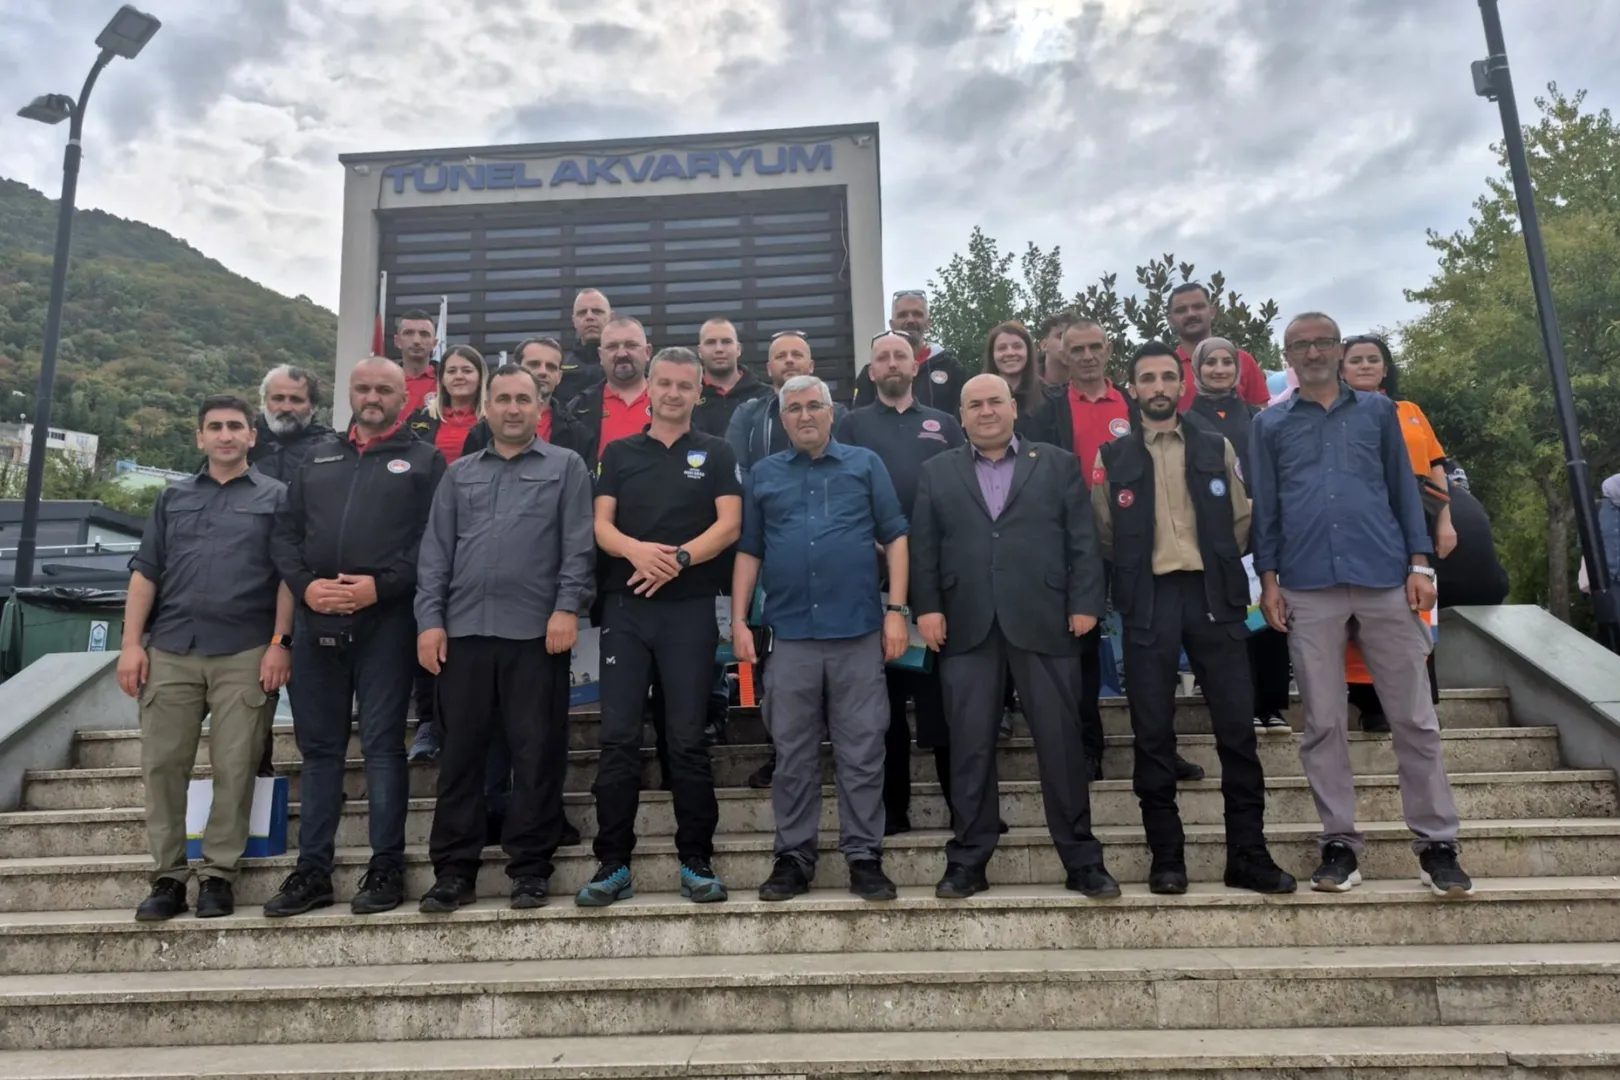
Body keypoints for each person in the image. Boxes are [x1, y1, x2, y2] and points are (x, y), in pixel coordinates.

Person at [1251, 312, 1473, 898]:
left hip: (1384, 577)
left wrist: (1419, 564)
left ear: (1338, 349)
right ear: (1288, 356)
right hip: (1306, 582)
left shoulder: (1378, 413)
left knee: (1414, 718)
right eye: (1300, 345)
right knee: (1323, 723)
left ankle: (1438, 844)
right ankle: (1339, 843)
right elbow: (1266, 507)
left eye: (1323, 342)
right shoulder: (1269, 425)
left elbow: (1404, 490)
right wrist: (1268, 581)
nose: (1313, 352)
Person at [1092, 344, 1294, 895]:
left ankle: (1248, 854)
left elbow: (1240, 519)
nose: (1158, 387)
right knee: (1152, 733)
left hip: (1213, 597)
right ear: (1132, 388)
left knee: (1237, 731)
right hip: (1148, 600)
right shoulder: (1113, 457)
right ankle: (1167, 858)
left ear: (1181, 386)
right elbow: (1105, 532)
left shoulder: (1215, 445)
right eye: (1147, 378)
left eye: (1167, 377)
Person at [910, 373, 1119, 899]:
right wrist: (927, 608)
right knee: (969, 746)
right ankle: (968, 860)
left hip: (1047, 618)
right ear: (961, 416)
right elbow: (924, 547)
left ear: (1013, 408)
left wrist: (1086, 602)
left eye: (994, 401)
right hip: (965, 622)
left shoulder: (1057, 464)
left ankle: (1082, 860)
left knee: (1061, 743)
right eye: (974, 404)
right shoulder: (936, 472)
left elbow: (1082, 539)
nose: (986, 411)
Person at [268, 357, 447, 917]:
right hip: (316, 619)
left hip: (386, 623)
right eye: (364, 388)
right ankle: (312, 871)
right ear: (350, 392)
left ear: (404, 397)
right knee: (320, 750)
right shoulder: (317, 457)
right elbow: (285, 533)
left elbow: (434, 541)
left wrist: (381, 587)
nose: (373, 397)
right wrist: (307, 587)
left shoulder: (426, 460)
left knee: (383, 747)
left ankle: (386, 867)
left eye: (384, 389)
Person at [414, 364, 594, 913]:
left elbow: (578, 546)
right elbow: (436, 552)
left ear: (540, 408)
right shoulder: (459, 474)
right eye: (503, 399)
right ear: (486, 408)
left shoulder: (566, 466)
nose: (513, 408)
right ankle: (453, 870)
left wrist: (567, 608)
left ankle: (531, 868)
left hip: (537, 634)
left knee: (536, 754)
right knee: (461, 757)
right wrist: (430, 621)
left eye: (523, 399)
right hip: (463, 632)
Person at [732, 374, 911, 902]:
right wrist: (739, 621)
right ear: (782, 418)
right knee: (792, 755)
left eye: (814, 405)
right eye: (794, 408)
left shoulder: (865, 464)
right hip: (790, 637)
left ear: (832, 412)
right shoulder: (764, 475)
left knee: (862, 751)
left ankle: (864, 857)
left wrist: (897, 611)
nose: (805, 415)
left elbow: (896, 536)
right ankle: (793, 858)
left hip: (857, 632)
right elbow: (750, 550)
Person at [119, 395, 293, 921]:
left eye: (235, 426)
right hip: (171, 648)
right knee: (162, 766)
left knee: (235, 767)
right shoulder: (172, 498)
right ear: (200, 437)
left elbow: (289, 577)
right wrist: (131, 644)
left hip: (245, 649)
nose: (225, 435)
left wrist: (280, 644)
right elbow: (146, 572)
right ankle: (168, 878)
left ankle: (219, 875)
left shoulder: (278, 497)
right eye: (214, 427)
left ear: (252, 436)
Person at [579, 347, 743, 906]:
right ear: (649, 387)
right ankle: (613, 864)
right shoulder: (618, 452)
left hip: (690, 607)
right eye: (665, 383)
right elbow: (600, 525)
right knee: (618, 737)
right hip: (625, 608)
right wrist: (636, 552)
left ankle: (696, 860)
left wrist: (679, 560)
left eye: (684, 385)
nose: (674, 393)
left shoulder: (716, 452)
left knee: (687, 738)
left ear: (699, 392)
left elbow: (730, 525)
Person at [1032, 319, 1201, 782]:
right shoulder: (1046, 412)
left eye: (1095, 347)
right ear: (1063, 355)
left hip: (1136, 542)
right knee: (1082, 652)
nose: (1087, 356)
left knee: (1151, 652)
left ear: (1109, 349)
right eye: (1077, 349)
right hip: (1072, 545)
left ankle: (1161, 750)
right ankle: (1088, 748)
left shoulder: (1133, 401)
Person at [836, 332, 964, 834]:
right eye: (882, 357)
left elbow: (962, 487)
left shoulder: (944, 423)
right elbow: (838, 485)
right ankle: (892, 811)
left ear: (915, 367)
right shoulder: (850, 424)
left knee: (944, 702)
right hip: (870, 577)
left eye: (900, 356)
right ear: (871, 371)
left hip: (935, 580)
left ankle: (964, 809)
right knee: (881, 706)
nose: (891, 363)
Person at [1340, 334, 1455, 732]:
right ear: (1341, 369)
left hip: (1418, 517)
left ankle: (1421, 696)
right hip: (1366, 522)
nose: (1365, 365)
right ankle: (1371, 703)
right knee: (1368, 608)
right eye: (1356, 359)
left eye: (1373, 359)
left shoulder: (1410, 411)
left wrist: (1445, 521)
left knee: (1417, 603)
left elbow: (1437, 465)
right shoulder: (1335, 414)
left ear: (1385, 367)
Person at [1187, 337, 1291, 735]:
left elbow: (1275, 468)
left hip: (1261, 529)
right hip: (1213, 533)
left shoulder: (1258, 417)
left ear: (1238, 368)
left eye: (1226, 362)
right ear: (1197, 370)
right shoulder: (1186, 421)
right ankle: (1238, 704)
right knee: (1227, 622)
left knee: (1267, 612)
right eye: (1210, 362)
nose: (1219, 370)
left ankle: (1271, 704)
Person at [726, 331, 844, 475]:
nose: (789, 360)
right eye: (781, 356)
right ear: (769, 369)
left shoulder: (836, 413)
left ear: (811, 366)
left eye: (797, 355)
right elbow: (736, 469)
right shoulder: (747, 415)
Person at [462, 337, 583, 457]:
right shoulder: (481, 434)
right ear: (516, 368)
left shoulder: (577, 434)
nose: (543, 372)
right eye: (534, 364)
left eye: (551, 367)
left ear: (559, 376)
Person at [561, 314, 652, 473]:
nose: (622, 354)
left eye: (631, 345)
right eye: (612, 347)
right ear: (601, 356)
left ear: (648, 352)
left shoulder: (671, 401)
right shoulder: (578, 408)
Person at [852, 291, 967, 415]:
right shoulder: (873, 372)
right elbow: (859, 419)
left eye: (917, 314)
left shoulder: (951, 368)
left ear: (928, 323)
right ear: (892, 325)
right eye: (902, 315)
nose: (911, 320)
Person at [1166, 283, 1270, 410]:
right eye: (1181, 310)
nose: (1191, 314)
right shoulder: (1165, 367)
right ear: (1170, 320)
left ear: (1212, 312)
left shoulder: (1242, 360)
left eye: (1198, 307)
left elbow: (1262, 416)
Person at [406, 345, 487, 465]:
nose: (459, 376)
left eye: (467, 371)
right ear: (442, 379)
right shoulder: (420, 417)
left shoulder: (493, 420)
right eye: (451, 371)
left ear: (480, 378)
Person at [251, 366, 333, 484]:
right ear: (263, 401)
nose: (286, 408)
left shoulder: (331, 450)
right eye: (278, 398)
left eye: (296, 400)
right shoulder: (241, 443)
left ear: (313, 406)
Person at [692, 316, 771, 437]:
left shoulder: (765, 396)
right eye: (711, 342)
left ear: (738, 349)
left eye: (726, 342)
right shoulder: (688, 396)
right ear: (700, 351)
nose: (719, 349)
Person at [982, 321, 1046, 433]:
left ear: (1028, 351)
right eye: (1002, 348)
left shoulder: (1050, 397)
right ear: (992, 355)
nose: (1010, 353)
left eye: (1017, 346)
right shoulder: (977, 395)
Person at [554, 288, 611, 406]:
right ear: (574, 321)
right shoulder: (558, 368)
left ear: (611, 317)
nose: (589, 317)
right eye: (582, 313)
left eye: (597, 311)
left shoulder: (624, 362)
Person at [393, 309, 440, 417]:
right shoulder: (382, 382)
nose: (416, 341)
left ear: (434, 343)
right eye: (409, 333)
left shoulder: (446, 382)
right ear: (397, 341)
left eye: (424, 334)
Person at [1036, 312, 1078, 386]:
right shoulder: (1024, 386)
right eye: (1061, 337)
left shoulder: (1090, 386)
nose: (1070, 342)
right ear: (1044, 345)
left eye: (1075, 338)